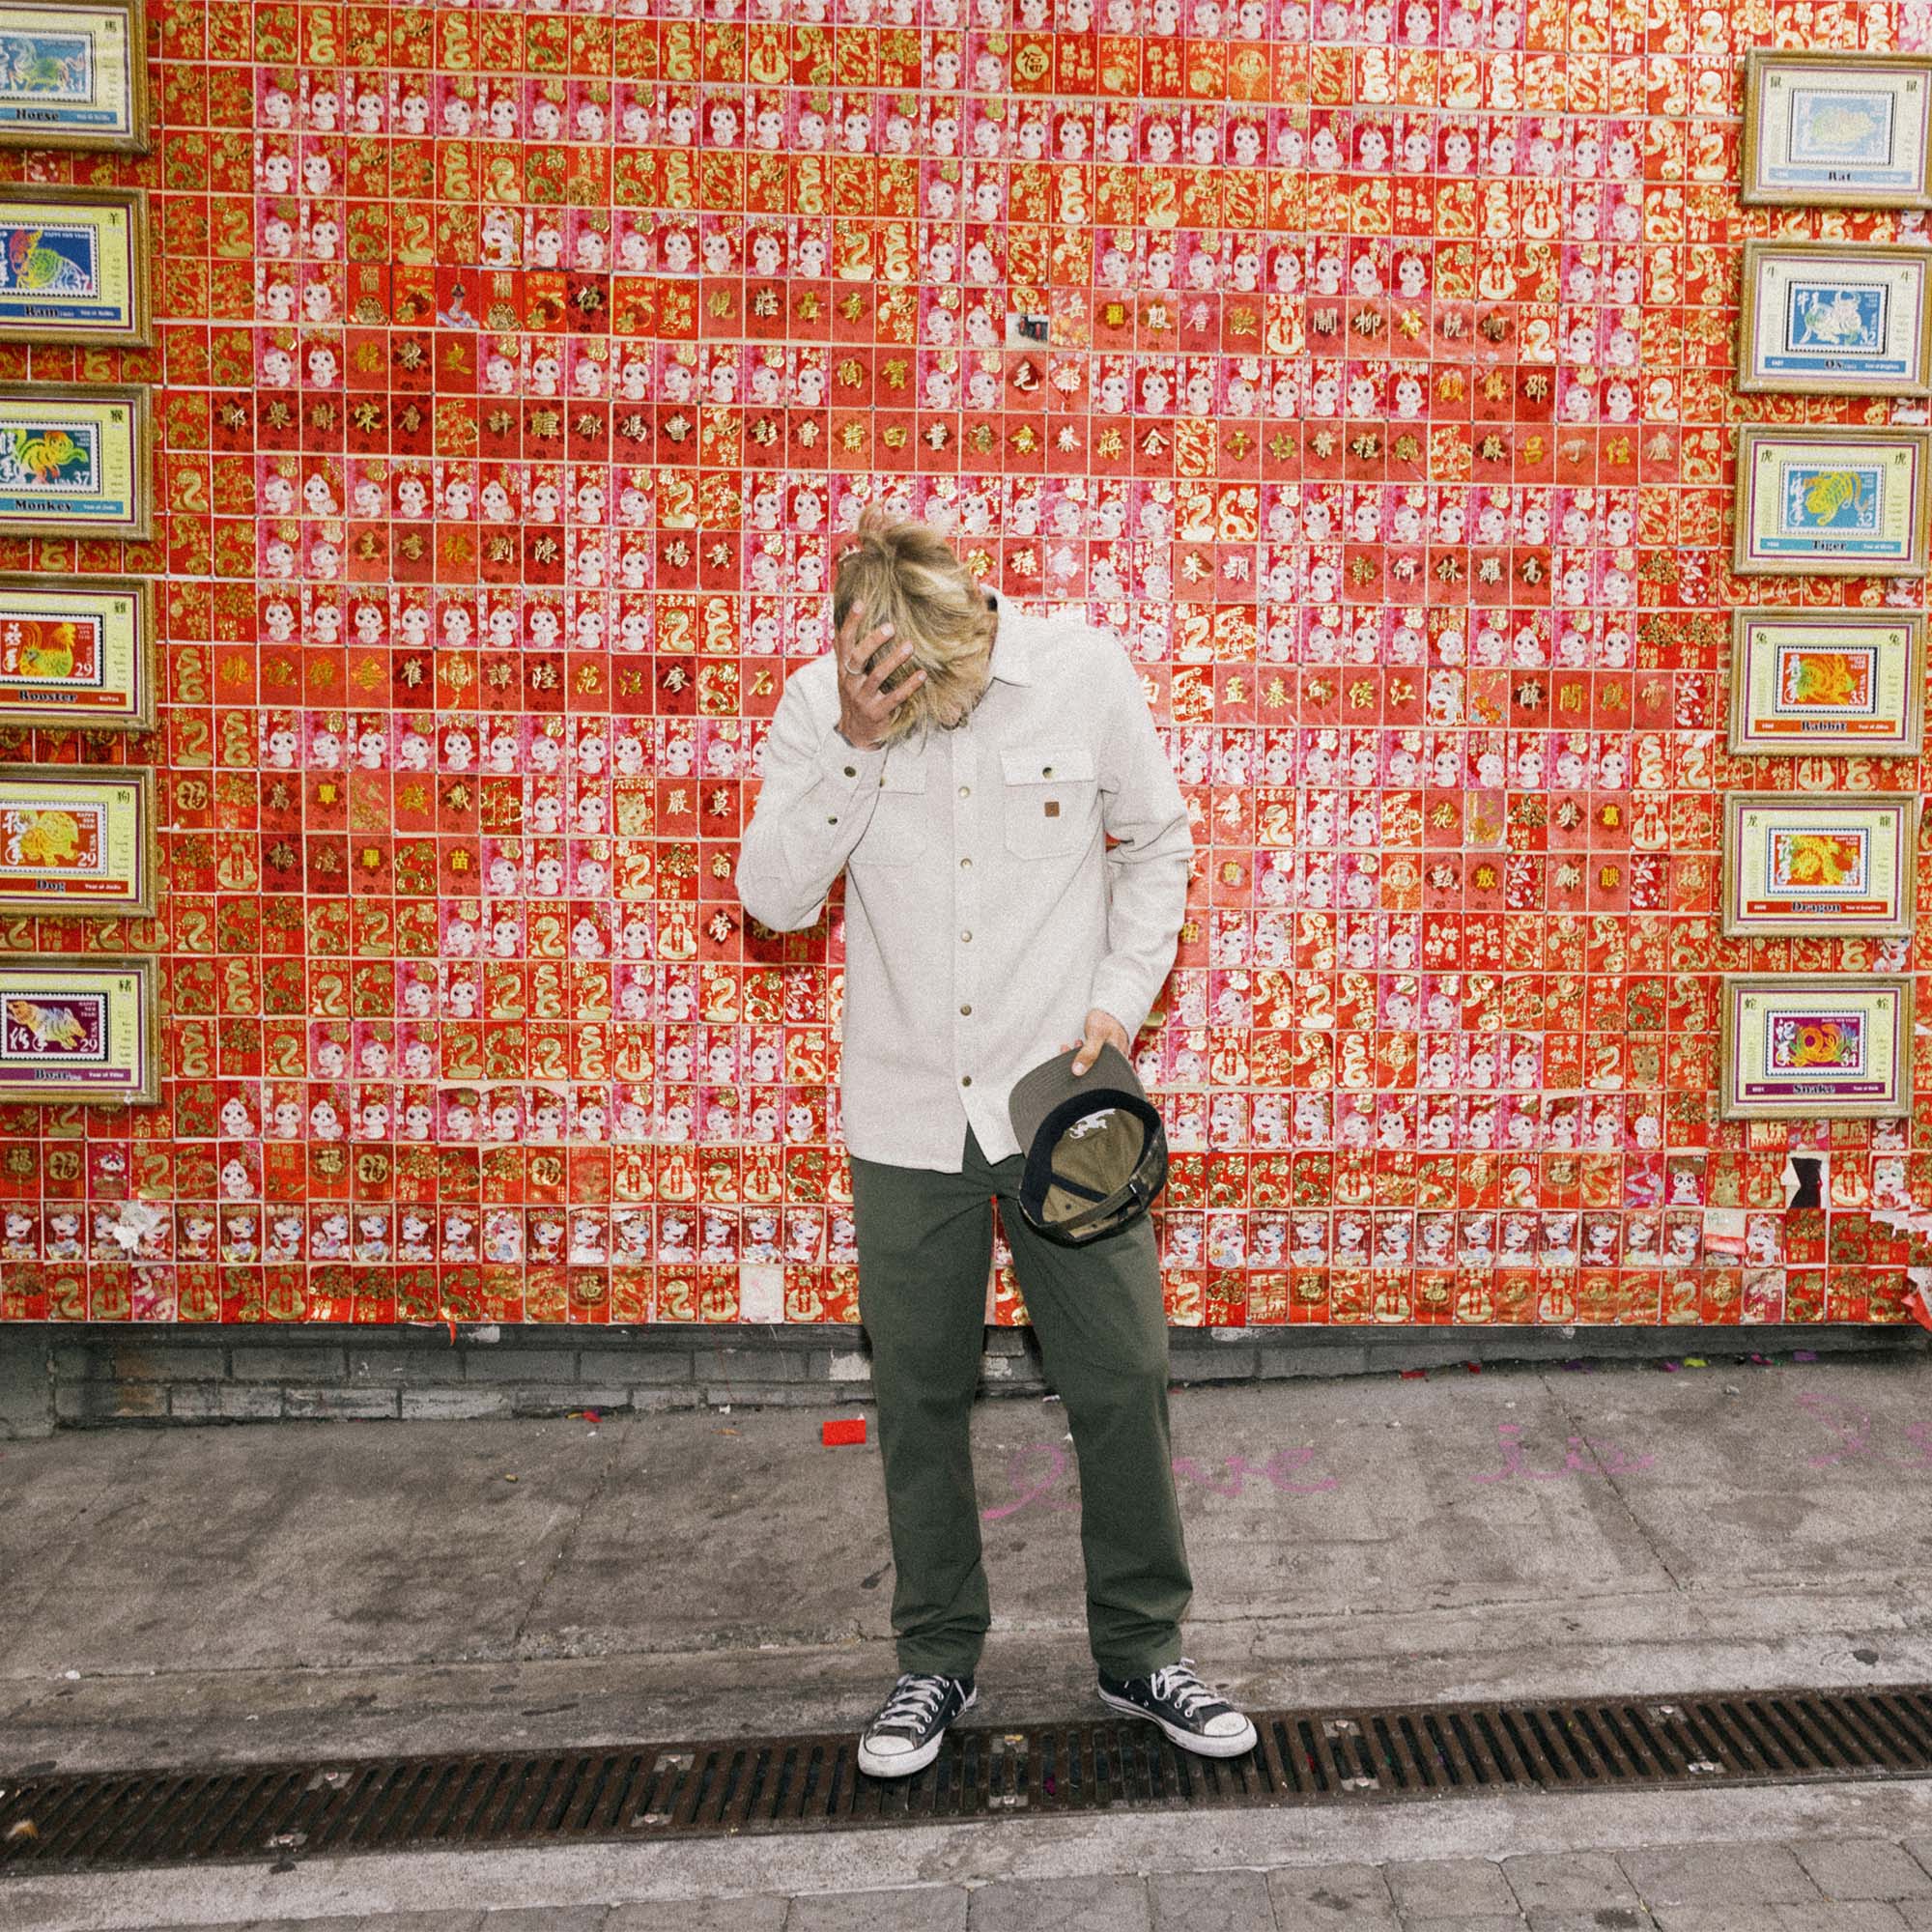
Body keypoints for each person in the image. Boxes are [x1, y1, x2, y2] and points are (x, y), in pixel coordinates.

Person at [734, 512, 1256, 1779]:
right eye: (895, 689)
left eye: (939, 676)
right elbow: (771, 898)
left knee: (1123, 1373)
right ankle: (934, 1665)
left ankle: (1141, 1649)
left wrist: (1118, 1001)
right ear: (862, 662)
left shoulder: (1084, 670)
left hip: (1054, 1096)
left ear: (974, 617)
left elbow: (1161, 845)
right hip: (906, 1104)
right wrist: (855, 749)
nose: (932, 702)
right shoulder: (827, 707)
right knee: (917, 1393)